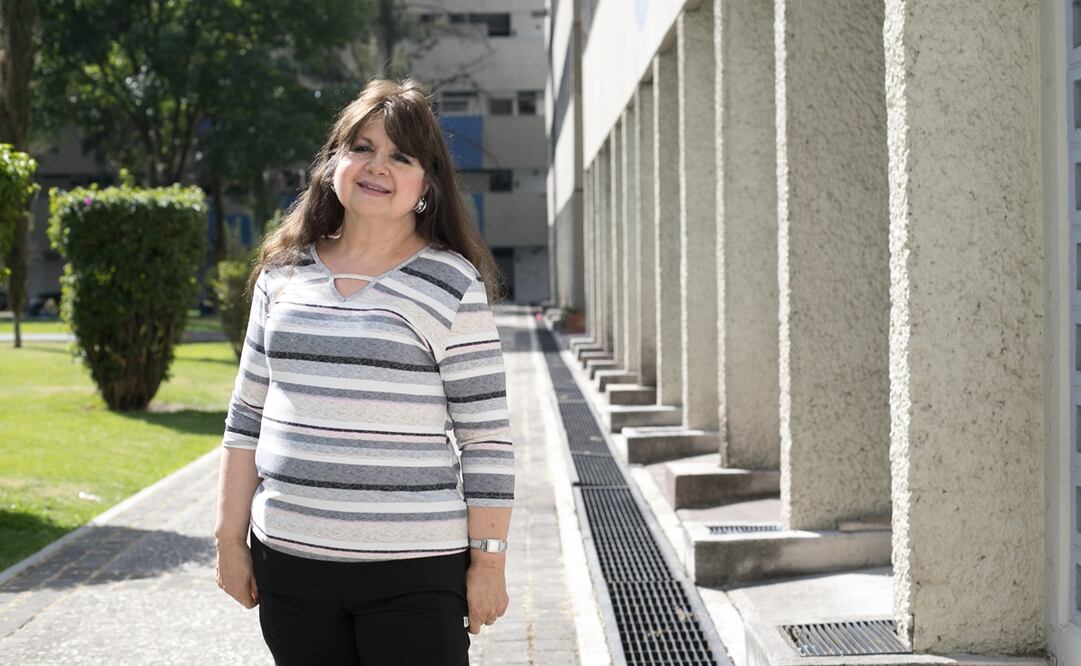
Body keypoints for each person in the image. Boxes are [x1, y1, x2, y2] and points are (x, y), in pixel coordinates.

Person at [213, 77, 515, 666]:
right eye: (363, 148)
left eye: (400, 156)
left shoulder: (452, 283)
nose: (378, 166)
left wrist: (489, 562)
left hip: (413, 572)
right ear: (333, 163)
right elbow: (245, 418)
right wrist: (229, 540)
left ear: (426, 185)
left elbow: (486, 440)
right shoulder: (282, 274)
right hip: (290, 564)